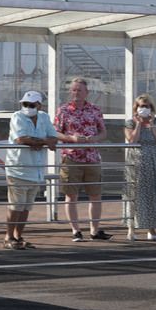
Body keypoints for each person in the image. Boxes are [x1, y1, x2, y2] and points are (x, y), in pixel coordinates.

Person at [54, 77, 111, 242]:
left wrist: (94, 139)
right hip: (71, 157)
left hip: (92, 157)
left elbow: (103, 132)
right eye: (73, 90)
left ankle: (94, 230)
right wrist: (72, 139)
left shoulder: (95, 110)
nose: (76, 93)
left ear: (87, 92)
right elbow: (56, 132)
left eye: (79, 90)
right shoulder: (63, 110)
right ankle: (76, 230)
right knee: (71, 195)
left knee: (95, 195)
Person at [4, 90, 57, 250]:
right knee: (16, 205)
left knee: (26, 207)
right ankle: (8, 237)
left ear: (39, 105)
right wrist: (42, 142)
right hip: (17, 168)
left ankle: (18, 236)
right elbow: (21, 139)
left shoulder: (44, 117)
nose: (27, 107)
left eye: (31, 104)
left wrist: (37, 142)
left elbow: (53, 137)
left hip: (36, 170)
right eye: (25, 104)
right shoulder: (17, 116)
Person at [124, 94, 156, 242]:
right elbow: (132, 140)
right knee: (134, 194)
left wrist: (151, 124)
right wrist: (138, 123)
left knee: (154, 194)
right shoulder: (130, 123)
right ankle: (131, 229)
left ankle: (152, 230)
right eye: (141, 106)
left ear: (151, 108)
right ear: (136, 108)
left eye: (147, 106)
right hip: (137, 162)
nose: (144, 109)